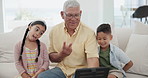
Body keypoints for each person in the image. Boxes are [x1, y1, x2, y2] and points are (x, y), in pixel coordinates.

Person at [38, 0, 99, 78]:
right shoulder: (54, 31)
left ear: (80, 13)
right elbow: (51, 57)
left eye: (76, 15)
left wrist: (91, 76)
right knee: (42, 77)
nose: (73, 19)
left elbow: (92, 59)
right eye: (69, 15)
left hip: (81, 71)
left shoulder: (89, 33)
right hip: (62, 70)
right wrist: (61, 54)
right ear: (62, 14)